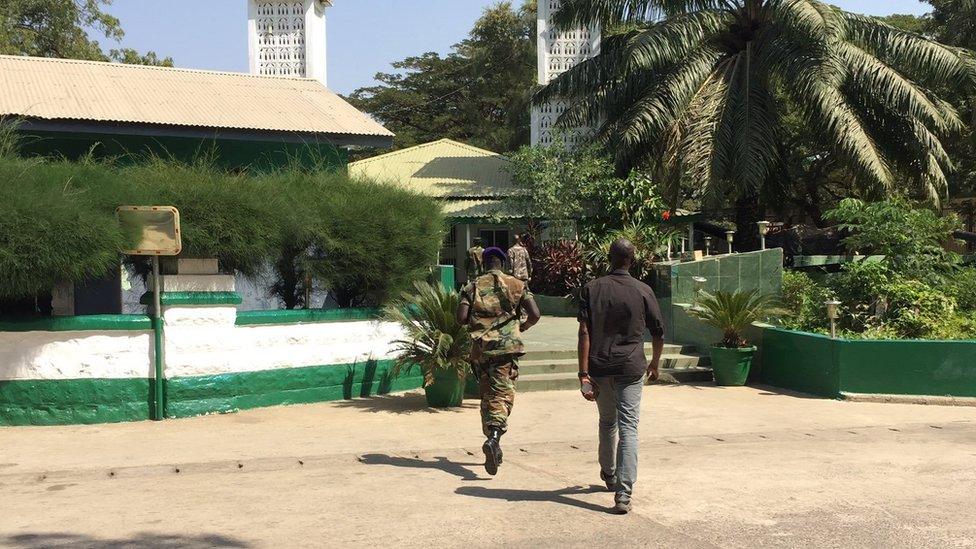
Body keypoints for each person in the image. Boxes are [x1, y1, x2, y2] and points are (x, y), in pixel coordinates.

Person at [577, 238, 665, 514]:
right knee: (629, 428)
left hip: (600, 368)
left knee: (607, 422)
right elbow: (658, 332)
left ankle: (609, 474)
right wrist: (655, 363)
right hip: (630, 368)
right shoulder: (643, 290)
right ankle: (623, 494)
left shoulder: (592, 288)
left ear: (609, 258)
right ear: (632, 259)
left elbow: (584, 332)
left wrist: (583, 374)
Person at [457, 246, 541, 476]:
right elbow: (535, 314)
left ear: (484, 263)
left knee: (487, 396)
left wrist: (480, 322)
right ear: (502, 264)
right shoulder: (517, 284)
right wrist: (520, 327)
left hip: (482, 350)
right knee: (502, 395)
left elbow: (461, 318)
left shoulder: (472, 286)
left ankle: (494, 443)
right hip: (507, 349)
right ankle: (494, 438)